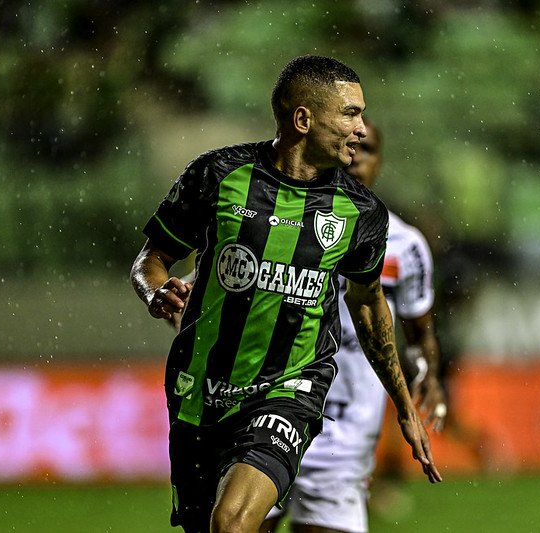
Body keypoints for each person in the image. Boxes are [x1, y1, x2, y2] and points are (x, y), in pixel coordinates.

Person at [130, 55, 442, 533]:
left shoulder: (360, 213)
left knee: (232, 523)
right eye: (350, 114)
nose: (360, 130)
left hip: (289, 390)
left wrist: (403, 404)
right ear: (303, 119)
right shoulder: (217, 176)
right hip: (201, 387)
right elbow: (151, 259)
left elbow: (368, 304)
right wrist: (155, 292)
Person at [261, 118, 446, 533]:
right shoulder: (281, 223)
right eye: (350, 146)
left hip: (343, 435)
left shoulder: (405, 245)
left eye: (368, 149)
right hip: (267, 412)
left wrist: (428, 373)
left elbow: (420, 334)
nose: (357, 156)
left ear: (379, 162)